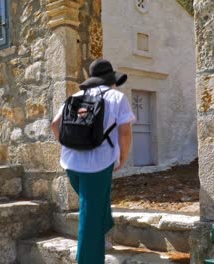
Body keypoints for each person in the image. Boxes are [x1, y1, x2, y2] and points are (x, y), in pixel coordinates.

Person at [51, 58, 136, 264]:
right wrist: (122, 157)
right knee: (89, 220)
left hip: (71, 163)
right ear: (110, 80)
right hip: (98, 164)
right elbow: (125, 132)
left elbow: (55, 125)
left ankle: (103, 223)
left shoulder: (76, 96)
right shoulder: (117, 97)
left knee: (94, 205)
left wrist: (71, 145)